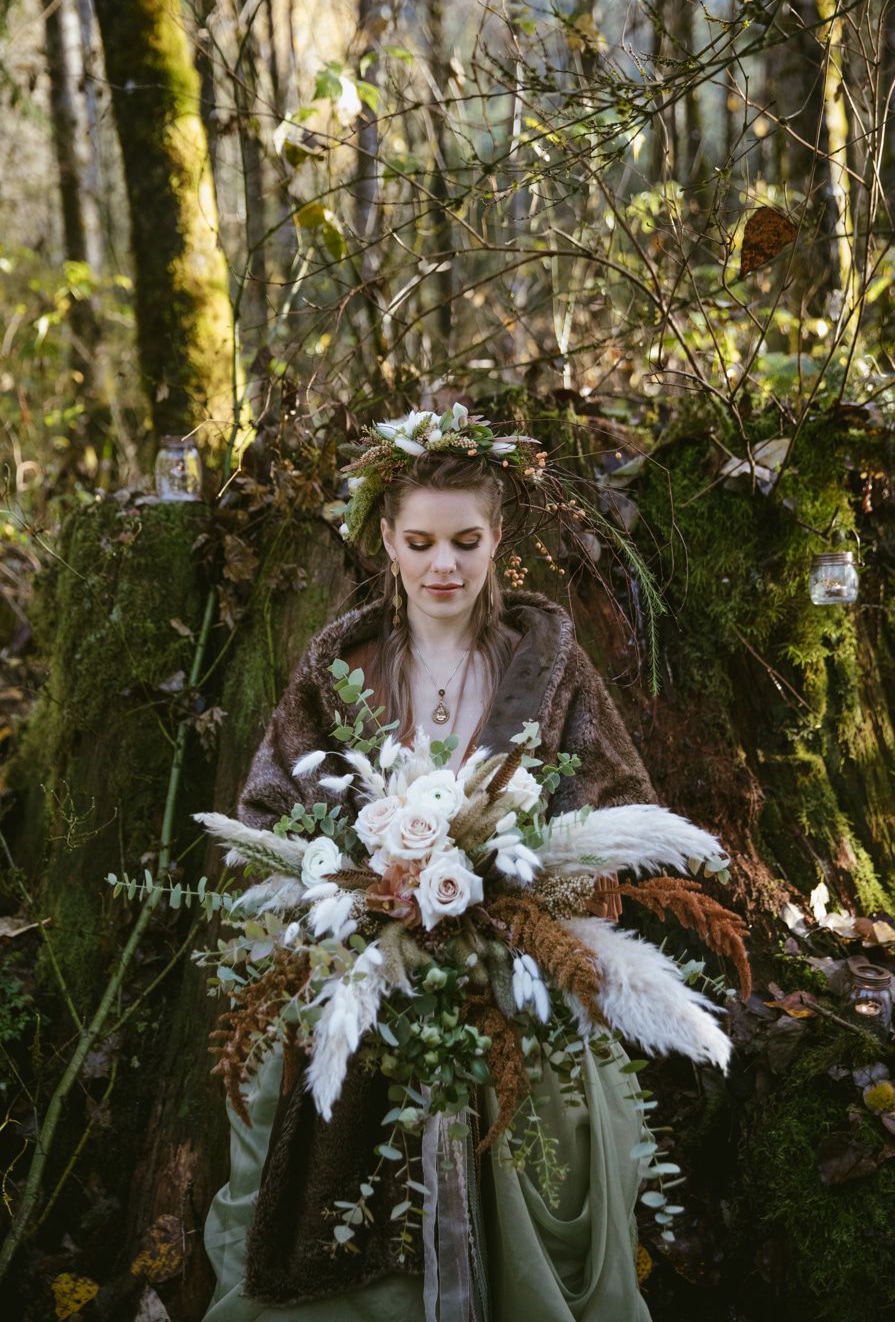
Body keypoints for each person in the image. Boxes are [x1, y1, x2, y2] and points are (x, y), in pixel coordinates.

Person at [203, 442, 657, 1322]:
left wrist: (526, 892)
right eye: (418, 542)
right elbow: (268, 808)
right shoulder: (343, 663)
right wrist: (356, 891)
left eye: (464, 541)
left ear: (497, 540)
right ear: (384, 539)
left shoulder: (546, 660)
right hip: (363, 950)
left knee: (542, 1094)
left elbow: (616, 802)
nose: (441, 565)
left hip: (508, 950)